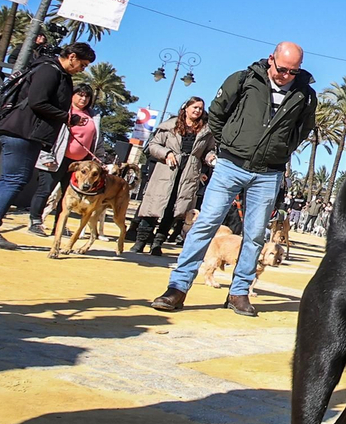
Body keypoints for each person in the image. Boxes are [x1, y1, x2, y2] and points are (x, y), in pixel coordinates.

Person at [149, 43, 317, 318]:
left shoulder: (305, 95)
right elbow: (217, 112)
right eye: (282, 69)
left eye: (293, 71)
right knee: (206, 223)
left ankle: (239, 292)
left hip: (269, 172)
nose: (286, 75)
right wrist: (228, 144)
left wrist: (282, 150)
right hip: (230, 165)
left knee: (255, 235)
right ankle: (177, 288)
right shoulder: (244, 79)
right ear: (271, 59)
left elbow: (303, 129)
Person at [0, 43, 95, 249]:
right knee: (14, 180)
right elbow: (38, 102)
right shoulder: (49, 71)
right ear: (72, 57)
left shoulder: (55, 72)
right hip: (23, 131)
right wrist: (67, 117)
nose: (82, 69)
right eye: (83, 64)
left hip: (26, 132)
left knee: (9, 180)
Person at [134, 97, 216, 255]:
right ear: (186, 108)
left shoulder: (206, 131)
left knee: (174, 211)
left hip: (188, 174)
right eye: (195, 107)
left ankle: (157, 244)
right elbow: (153, 145)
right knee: (153, 207)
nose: (197, 110)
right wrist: (166, 153)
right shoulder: (169, 126)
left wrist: (210, 157)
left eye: (200, 108)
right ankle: (140, 241)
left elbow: (208, 150)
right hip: (166, 171)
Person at [26, 83, 99, 236]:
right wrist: (46, 155)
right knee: (45, 190)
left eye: (87, 96)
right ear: (72, 95)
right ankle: (35, 222)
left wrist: (98, 158)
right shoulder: (62, 111)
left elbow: (97, 139)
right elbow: (48, 132)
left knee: (68, 196)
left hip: (79, 166)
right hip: (57, 159)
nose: (83, 99)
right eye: (80, 95)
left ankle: (59, 226)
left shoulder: (93, 116)